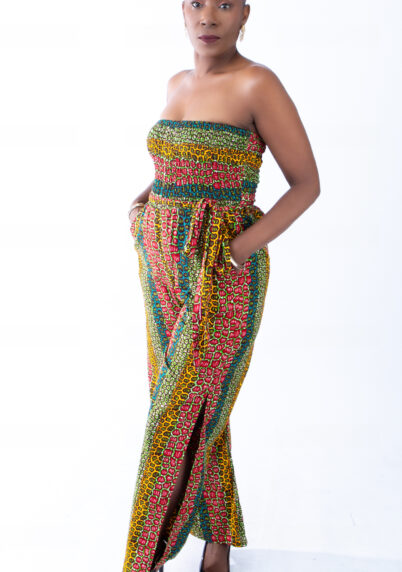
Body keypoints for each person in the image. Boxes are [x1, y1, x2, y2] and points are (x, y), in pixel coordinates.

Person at [122, 1, 320, 571]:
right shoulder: (176, 83)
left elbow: (306, 185)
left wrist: (235, 251)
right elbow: (177, 166)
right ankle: (219, 541)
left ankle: (143, 562)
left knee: (175, 415)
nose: (209, 16)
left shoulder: (258, 83)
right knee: (196, 410)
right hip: (159, 264)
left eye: (225, 4)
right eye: (197, 2)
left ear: (244, 14)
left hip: (222, 274)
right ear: (182, 12)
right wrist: (143, 206)